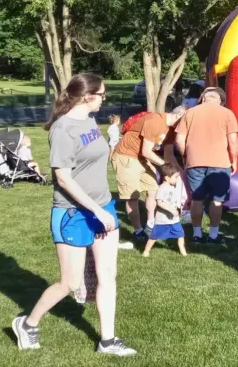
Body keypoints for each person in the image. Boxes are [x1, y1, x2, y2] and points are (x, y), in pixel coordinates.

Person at [12, 73, 137, 356]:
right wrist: (96, 210)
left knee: (108, 275)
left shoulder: (90, 120)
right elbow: (64, 178)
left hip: (102, 207)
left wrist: (103, 208)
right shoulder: (63, 129)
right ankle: (28, 324)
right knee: (68, 283)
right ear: (87, 96)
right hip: (73, 214)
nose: (104, 99)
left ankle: (107, 341)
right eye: (102, 94)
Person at [111, 107, 186, 242]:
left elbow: (168, 154)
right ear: (178, 115)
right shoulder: (155, 121)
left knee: (154, 190)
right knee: (132, 196)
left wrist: (180, 172)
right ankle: (138, 231)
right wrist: (166, 166)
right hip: (126, 157)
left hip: (142, 159)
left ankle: (150, 224)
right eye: (185, 122)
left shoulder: (172, 130)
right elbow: (146, 151)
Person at [175, 87, 238, 244]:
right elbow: (233, 141)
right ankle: (213, 235)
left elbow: (179, 140)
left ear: (203, 99)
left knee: (197, 199)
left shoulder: (190, 113)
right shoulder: (227, 114)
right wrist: (234, 160)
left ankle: (197, 234)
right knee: (217, 200)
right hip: (220, 161)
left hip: (194, 161)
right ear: (220, 101)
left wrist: (185, 156)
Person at [142, 163, 187, 257]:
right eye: (175, 177)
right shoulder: (162, 188)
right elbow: (159, 202)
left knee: (180, 235)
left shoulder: (173, 186)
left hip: (174, 220)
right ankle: (146, 251)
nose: (177, 179)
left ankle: (183, 251)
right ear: (166, 178)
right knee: (154, 237)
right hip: (162, 220)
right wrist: (171, 210)